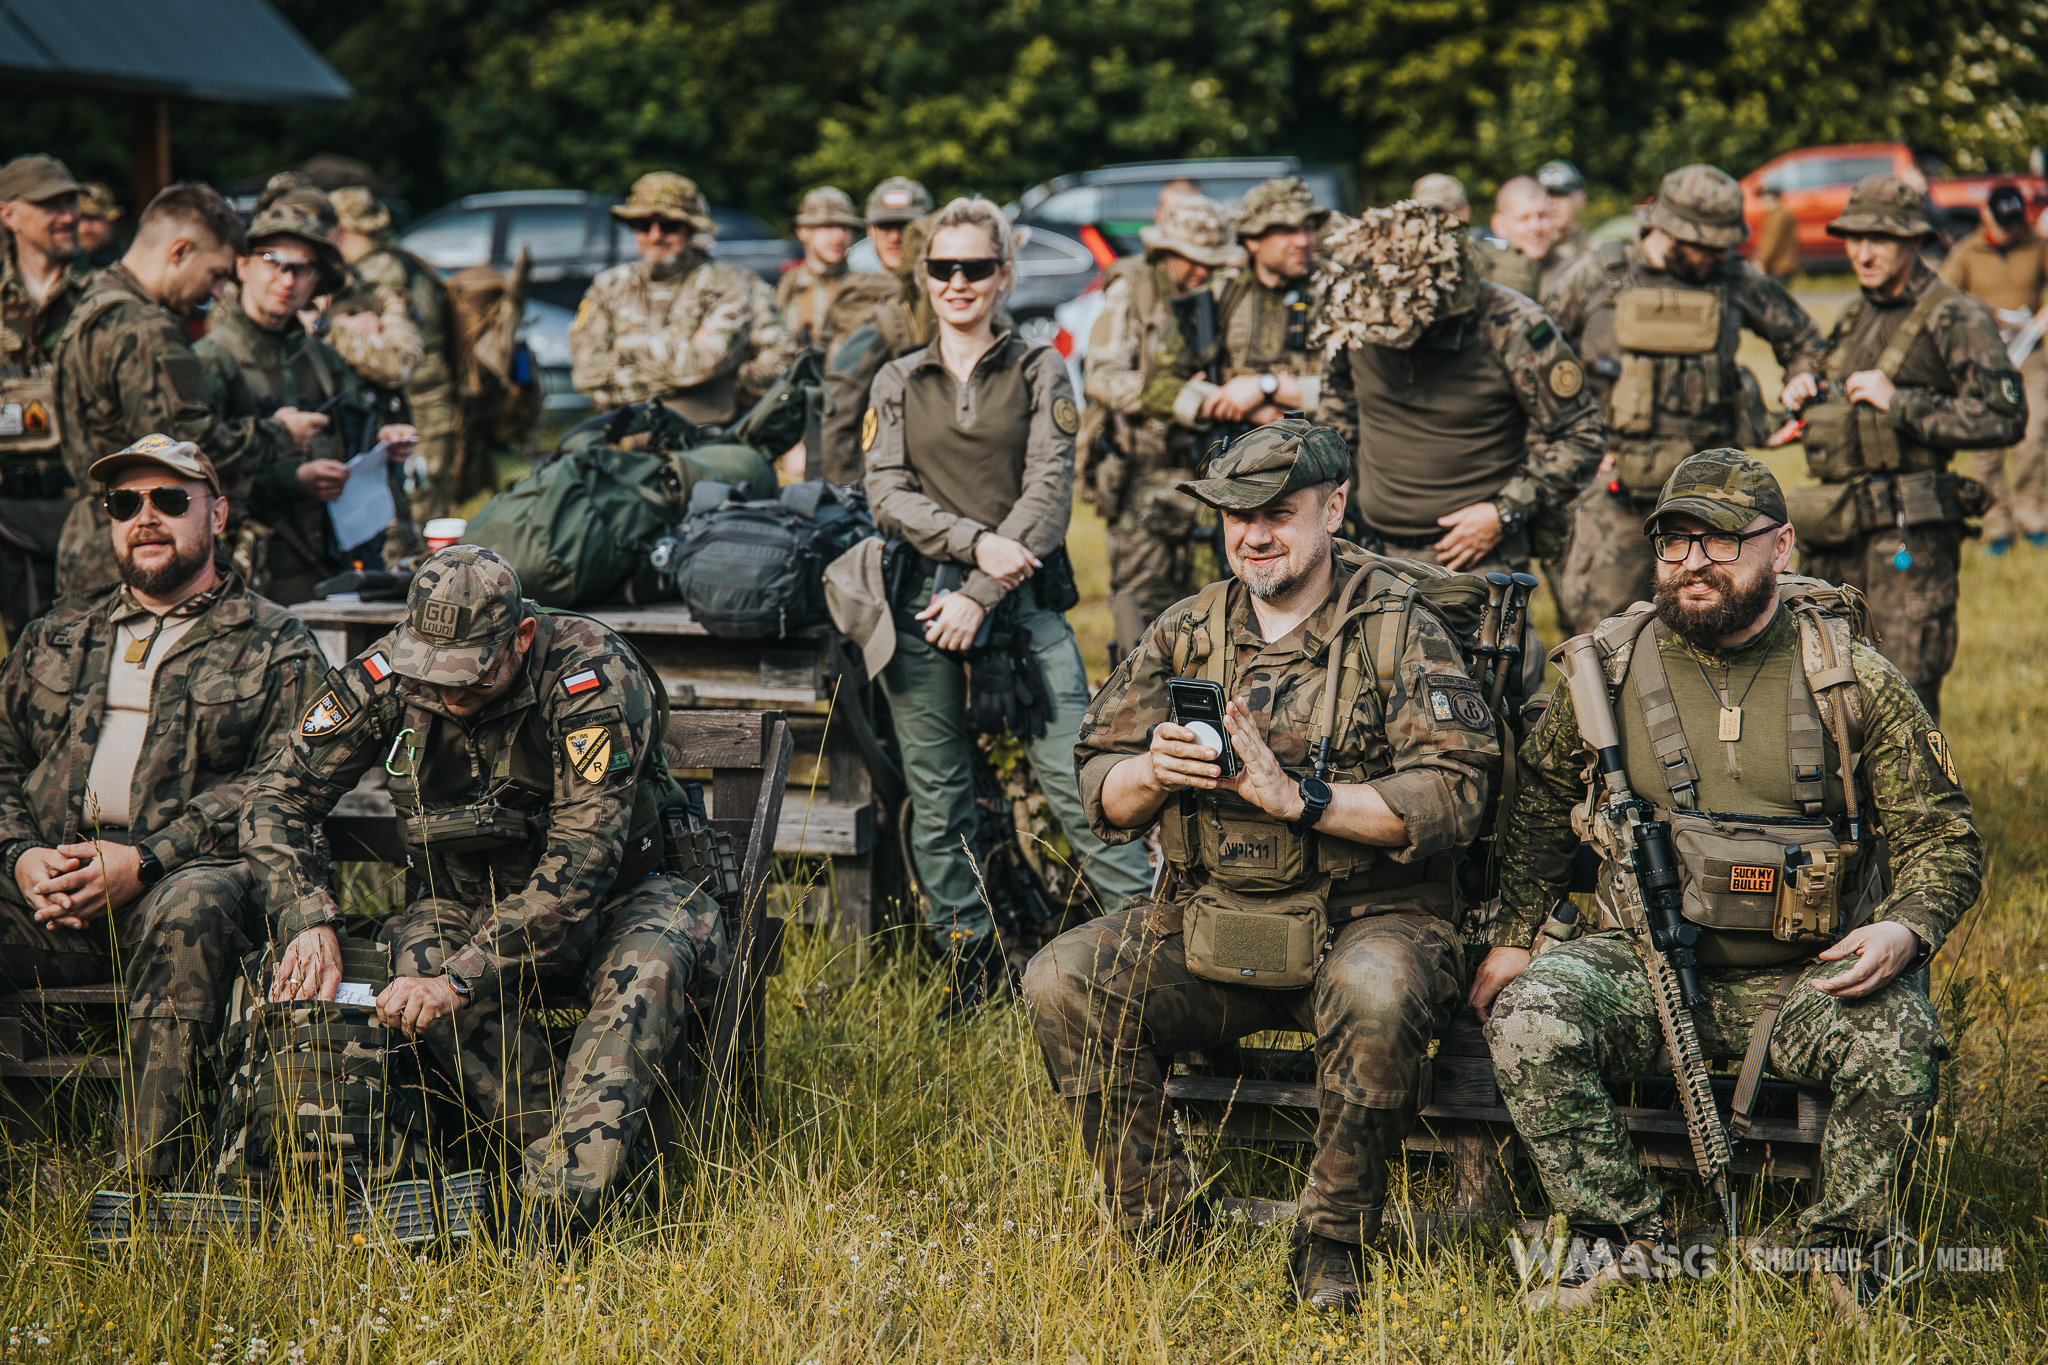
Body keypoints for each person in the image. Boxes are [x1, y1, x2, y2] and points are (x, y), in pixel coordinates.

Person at [1474, 449, 1980, 1313]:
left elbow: (1946, 835)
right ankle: (1616, 1235)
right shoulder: (1607, 669)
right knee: (1529, 1015)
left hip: (1805, 976)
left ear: (1779, 547)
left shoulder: (1851, 676)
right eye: (1674, 544)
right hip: (1639, 964)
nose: (1694, 563)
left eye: (1720, 541)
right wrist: (1515, 936)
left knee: (1899, 1037)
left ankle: (1839, 1247)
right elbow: (1540, 804)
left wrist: (1904, 929)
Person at [1024, 420, 1500, 1310]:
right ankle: (1161, 1224)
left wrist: (1302, 799)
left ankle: (1332, 1238)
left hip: (1369, 920)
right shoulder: (1188, 629)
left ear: (1334, 508)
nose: (1255, 535)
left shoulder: (1395, 627)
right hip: (1216, 922)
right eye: (1236, 517)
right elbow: (1096, 777)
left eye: (1278, 513)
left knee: (1378, 989)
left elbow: (1458, 791)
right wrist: (1150, 773)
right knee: (1063, 976)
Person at [240, 545, 729, 1240]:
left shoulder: (591, 675)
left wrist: (460, 980)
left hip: (626, 894)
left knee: (645, 966)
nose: (447, 692)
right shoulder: (391, 672)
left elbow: (579, 870)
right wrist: (307, 915)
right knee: (416, 956)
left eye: (470, 674)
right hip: (469, 896)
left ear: (521, 638)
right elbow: (278, 796)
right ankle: (580, 1169)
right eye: (431, 671)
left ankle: (555, 1223)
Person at [0, 433, 322, 1178]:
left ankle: (147, 1183)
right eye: (125, 503)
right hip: (51, 887)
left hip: (184, 885)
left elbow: (283, 784)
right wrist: (20, 856)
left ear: (218, 515)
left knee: (196, 901)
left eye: (170, 500)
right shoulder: (56, 632)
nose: (146, 516)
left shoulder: (279, 644)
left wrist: (147, 859)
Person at [864, 196, 1153, 1016]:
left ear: (1002, 274)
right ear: (924, 276)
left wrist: (985, 589)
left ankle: (1148, 945)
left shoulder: (1038, 368)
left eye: (976, 267)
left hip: (1019, 604)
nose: (959, 282)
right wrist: (969, 543)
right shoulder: (899, 379)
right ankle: (969, 959)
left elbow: (1049, 497)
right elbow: (885, 492)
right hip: (924, 607)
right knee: (939, 791)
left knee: (1082, 779)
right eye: (943, 267)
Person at [1780, 173, 2025, 718]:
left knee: (1903, 693)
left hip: (1908, 539)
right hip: (1841, 530)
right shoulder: (1856, 312)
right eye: (1854, 237)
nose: (1864, 252)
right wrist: (1806, 389)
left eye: (1881, 238)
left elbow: (2006, 417)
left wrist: (1904, 403)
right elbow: (1825, 375)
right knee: (1829, 686)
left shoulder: (1955, 315)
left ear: (1915, 241)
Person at [1544, 164, 1825, 631]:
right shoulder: (1597, 275)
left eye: (1724, 244)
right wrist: (1575, 444)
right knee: (1600, 630)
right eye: (1705, 244)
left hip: (1712, 498)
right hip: (1615, 491)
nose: (1718, 253)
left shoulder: (1733, 278)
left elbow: (1807, 342)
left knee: (1718, 624)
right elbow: (1538, 363)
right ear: (1667, 228)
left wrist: (1801, 379)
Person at [1316, 201, 1605, 577]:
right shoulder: (1355, 309)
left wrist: (1504, 511)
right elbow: (1337, 400)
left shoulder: (1512, 326)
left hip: (1476, 561)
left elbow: (1582, 435)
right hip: (1369, 550)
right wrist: (1335, 483)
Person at [52, 183, 309, 599]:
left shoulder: (91, 304)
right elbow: (182, 452)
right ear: (180, 251)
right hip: (138, 547)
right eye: (216, 274)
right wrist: (281, 434)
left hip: (94, 535)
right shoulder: (147, 330)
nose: (217, 293)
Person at [193, 192, 418, 606]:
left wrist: (385, 443)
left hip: (332, 558)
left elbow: (354, 440)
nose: (287, 280)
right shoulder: (212, 360)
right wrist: (291, 479)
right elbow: (195, 470)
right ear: (242, 265)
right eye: (273, 262)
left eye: (302, 269)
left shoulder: (325, 359)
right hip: (246, 569)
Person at [1082, 194, 1241, 630]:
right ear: (1165, 251)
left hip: (1212, 471)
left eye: (1212, 261)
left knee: (1213, 609)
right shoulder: (1131, 288)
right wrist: (1182, 399)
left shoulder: (1226, 291)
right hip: (1144, 474)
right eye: (1191, 259)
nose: (1201, 271)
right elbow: (1099, 376)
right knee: (1144, 610)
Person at [569, 172, 793, 425]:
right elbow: (586, 375)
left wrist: (626, 349)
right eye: (644, 225)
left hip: (712, 434)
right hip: (628, 432)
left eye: (669, 226)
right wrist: (699, 389)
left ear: (691, 229)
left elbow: (701, 364)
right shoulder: (608, 286)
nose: (655, 236)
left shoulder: (727, 284)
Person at [1151, 176, 1329, 455]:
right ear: (1252, 240)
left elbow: (1361, 390)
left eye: (1308, 228)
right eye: (1286, 231)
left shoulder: (1336, 291)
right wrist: (1226, 402)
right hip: (1233, 461)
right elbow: (1156, 385)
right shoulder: (1217, 295)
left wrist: (1266, 388)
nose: (1303, 240)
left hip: (1318, 460)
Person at [0, 154, 93, 636]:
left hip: (87, 517)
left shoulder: (100, 302)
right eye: (49, 204)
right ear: (8, 214)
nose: (68, 215)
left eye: (70, 202)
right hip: (8, 525)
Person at [330, 185, 460, 523]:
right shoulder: (408, 259)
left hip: (418, 394)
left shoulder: (378, 271)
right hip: (431, 387)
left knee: (420, 500)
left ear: (343, 230)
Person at [1940, 182, 2048, 553]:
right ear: (1986, 215)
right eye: (2003, 222)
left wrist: (2041, 318)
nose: (2009, 229)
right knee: (1987, 442)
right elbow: (1943, 298)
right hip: (1983, 358)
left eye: (2015, 221)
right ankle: (1998, 525)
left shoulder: (2037, 244)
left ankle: (2032, 516)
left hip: (2029, 353)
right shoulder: (1968, 251)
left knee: (2034, 434)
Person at [811, 177, 938, 483]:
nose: (896, 237)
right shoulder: (851, 297)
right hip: (864, 461)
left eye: (907, 226)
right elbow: (833, 399)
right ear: (870, 232)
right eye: (885, 227)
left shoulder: (951, 299)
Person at [776, 186, 866, 350]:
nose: (839, 237)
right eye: (829, 226)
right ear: (802, 231)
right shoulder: (786, 288)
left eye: (846, 228)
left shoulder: (865, 287)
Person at [1482, 175, 1556, 298]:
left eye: (1542, 215)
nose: (1535, 227)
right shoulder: (1486, 278)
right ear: (1500, 225)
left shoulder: (1578, 273)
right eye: (1523, 219)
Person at [1536, 159, 1592, 296]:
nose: (1552, 202)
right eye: (1545, 195)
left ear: (1581, 198)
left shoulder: (1596, 251)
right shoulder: (1529, 249)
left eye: (1562, 194)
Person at [1755, 185, 1801, 282]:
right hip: (1777, 264)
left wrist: (1761, 261)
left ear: (1771, 197)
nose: (1762, 202)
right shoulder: (1775, 214)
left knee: (1775, 295)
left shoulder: (1779, 216)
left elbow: (1772, 241)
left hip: (1779, 265)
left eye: (1763, 198)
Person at [75, 182, 124, 267]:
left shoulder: (129, 263)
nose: (85, 229)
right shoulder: (56, 268)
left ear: (112, 221)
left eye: (94, 218)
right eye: (80, 218)